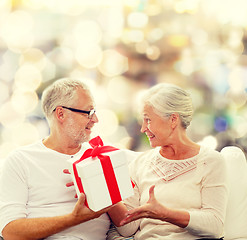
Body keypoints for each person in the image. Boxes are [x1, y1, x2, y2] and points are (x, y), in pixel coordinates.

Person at [0, 78, 128, 240]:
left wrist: (102, 186)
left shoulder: (99, 155)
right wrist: (74, 218)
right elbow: (10, 232)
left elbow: (125, 226)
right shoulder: (21, 160)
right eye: (88, 112)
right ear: (61, 114)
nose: (95, 120)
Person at [114, 83, 228, 240]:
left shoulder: (211, 161)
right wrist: (104, 194)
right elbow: (127, 228)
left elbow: (215, 225)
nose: (143, 129)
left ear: (173, 119)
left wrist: (165, 214)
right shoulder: (140, 164)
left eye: (148, 120)